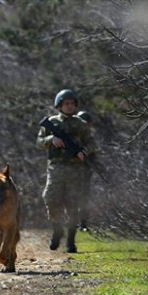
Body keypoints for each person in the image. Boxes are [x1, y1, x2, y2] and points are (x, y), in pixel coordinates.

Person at [36, 89, 96, 253]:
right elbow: (39, 142)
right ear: (59, 105)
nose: (69, 106)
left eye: (72, 103)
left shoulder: (80, 124)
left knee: (72, 204)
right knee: (51, 199)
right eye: (66, 104)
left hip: (75, 169)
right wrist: (51, 140)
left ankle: (71, 240)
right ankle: (57, 229)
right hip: (56, 167)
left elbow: (92, 143)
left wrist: (84, 152)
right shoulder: (51, 122)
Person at [76, 110, 94, 231]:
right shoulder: (73, 137)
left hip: (85, 171)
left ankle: (83, 223)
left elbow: (93, 152)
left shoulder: (89, 139)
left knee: (84, 198)